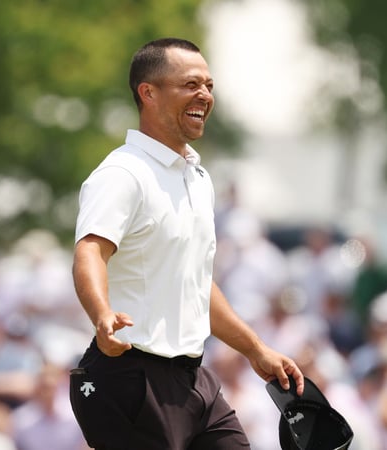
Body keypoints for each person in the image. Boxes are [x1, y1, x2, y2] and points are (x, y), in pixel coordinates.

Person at [69, 38, 304, 450]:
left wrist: (255, 350)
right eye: (190, 84)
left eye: (209, 85)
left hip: (193, 379)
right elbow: (90, 251)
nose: (204, 95)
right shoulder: (122, 173)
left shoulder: (196, 177)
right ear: (148, 92)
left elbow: (196, 283)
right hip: (128, 378)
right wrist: (102, 313)